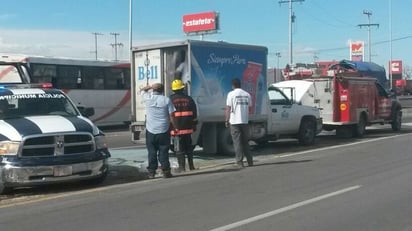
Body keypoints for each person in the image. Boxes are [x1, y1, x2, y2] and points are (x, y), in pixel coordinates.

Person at [140, 83, 176, 178]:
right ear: (163, 90)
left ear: (153, 90)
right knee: (163, 151)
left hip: (151, 130)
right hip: (164, 130)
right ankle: (166, 171)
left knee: (151, 152)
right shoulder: (166, 100)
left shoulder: (148, 98)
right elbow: (172, 116)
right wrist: (175, 127)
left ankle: (151, 172)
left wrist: (149, 87)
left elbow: (142, 91)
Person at [169, 79, 198, 172]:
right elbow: (194, 114)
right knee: (189, 149)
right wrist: (194, 125)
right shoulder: (189, 99)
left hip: (176, 130)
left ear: (173, 89)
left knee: (179, 150)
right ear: (182, 88)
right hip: (188, 129)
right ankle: (191, 166)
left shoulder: (170, 100)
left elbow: (168, 114)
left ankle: (182, 167)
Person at [225, 78, 253, 168]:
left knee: (237, 142)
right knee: (245, 142)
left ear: (233, 85)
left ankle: (239, 162)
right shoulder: (247, 94)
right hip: (244, 121)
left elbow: (228, 108)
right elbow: (250, 107)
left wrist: (226, 120)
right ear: (240, 84)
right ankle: (250, 161)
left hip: (234, 121)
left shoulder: (231, 94)